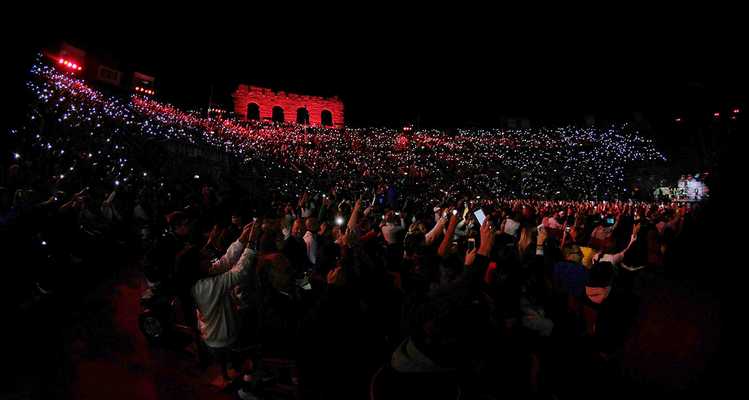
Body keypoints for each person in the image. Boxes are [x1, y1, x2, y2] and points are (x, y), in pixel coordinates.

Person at [191, 222, 259, 382]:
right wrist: (250, 243)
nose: (209, 258)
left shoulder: (203, 275)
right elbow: (239, 272)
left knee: (228, 362)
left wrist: (242, 239)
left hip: (215, 333)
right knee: (230, 361)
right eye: (203, 259)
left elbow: (225, 261)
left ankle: (228, 375)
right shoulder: (204, 286)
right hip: (220, 336)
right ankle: (232, 379)